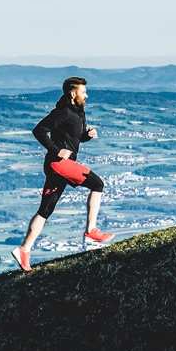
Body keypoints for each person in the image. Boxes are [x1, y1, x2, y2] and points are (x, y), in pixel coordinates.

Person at [11, 76, 113, 272]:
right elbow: (39, 130)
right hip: (58, 164)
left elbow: (75, 138)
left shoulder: (78, 113)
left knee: (45, 209)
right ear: (73, 93)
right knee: (97, 184)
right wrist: (56, 150)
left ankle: (24, 249)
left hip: (59, 166)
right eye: (84, 92)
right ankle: (91, 231)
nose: (87, 95)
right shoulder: (63, 112)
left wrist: (87, 135)